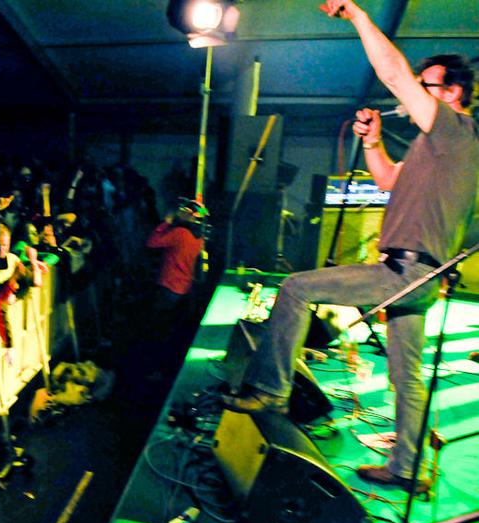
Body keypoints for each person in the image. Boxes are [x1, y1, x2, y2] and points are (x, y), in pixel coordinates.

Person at [223, 0, 479, 494]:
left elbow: (393, 74)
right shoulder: (436, 148)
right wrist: (373, 141)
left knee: (296, 288)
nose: (414, 92)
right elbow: (387, 181)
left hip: (406, 273)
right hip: (420, 279)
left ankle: (271, 391)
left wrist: (359, 16)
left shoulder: (455, 132)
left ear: (453, 93)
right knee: (407, 378)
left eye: (426, 86)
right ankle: (406, 468)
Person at [145, 198, 206, 318]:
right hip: (184, 286)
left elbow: (151, 242)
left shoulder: (180, 233)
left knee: (158, 319)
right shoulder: (199, 237)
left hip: (169, 285)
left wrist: (167, 222)